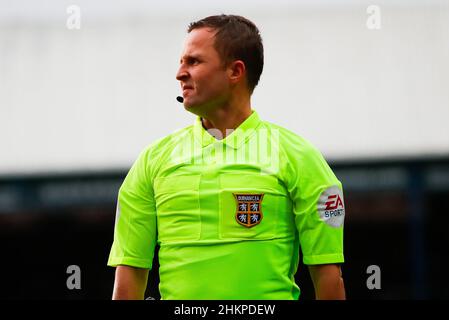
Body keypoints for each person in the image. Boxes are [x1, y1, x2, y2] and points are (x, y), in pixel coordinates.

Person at [108, 14, 346, 300]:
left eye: (193, 62)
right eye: (181, 62)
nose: (179, 73)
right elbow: (129, 277)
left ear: (235, 71)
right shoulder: (152, 162)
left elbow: (329, 279)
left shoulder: (300, 158)